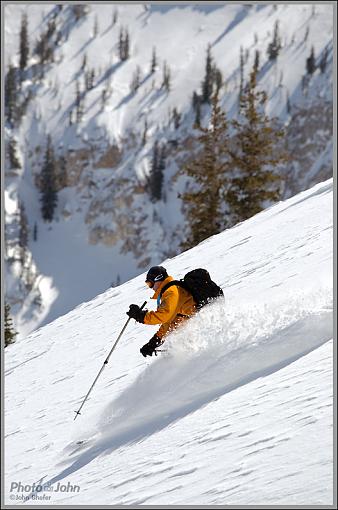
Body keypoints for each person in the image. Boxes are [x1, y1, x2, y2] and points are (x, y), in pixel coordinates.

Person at [127, 266, 196, 357]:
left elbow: (163, 316)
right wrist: (153, 342)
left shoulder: (170, 292)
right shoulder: (168, 292)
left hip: (202, 322)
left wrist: (140, 315)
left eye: (150, 283)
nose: (150, 287)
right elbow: (169, 322)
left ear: (158, 279)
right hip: (195, 321)